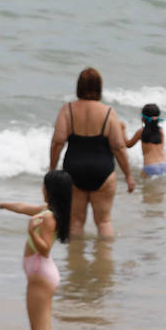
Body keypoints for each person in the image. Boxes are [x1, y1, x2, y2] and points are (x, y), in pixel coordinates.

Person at [0, 170, 73, 330]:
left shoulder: (48, 217)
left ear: (51, 190)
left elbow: (45, 248)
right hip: (43, 272)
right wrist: (0, 205)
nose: (42, 188)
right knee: (45, 329)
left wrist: (32, 232)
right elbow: (23, 207)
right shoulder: (50, 211)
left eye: (44, 186)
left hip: (40, 273)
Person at [50, 67, 135, 239]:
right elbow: (118, 147)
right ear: (99, 88)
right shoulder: (109, 112)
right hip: (102, 170)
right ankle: (105, 261)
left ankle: (75, 262)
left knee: (75, 221)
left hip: (73, 171)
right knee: (103, 221)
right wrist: (128, 175)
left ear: (79, 86)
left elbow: (58, 142)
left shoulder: (68, 110)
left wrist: (52, 170)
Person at [126, 103, 166, 177]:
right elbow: (161, 147)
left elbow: (128, 145)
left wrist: (123, 130)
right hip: (164, 164)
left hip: (150, 166)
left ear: (143, 118)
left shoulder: (141, 131)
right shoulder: (161, 131)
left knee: (142, 187)